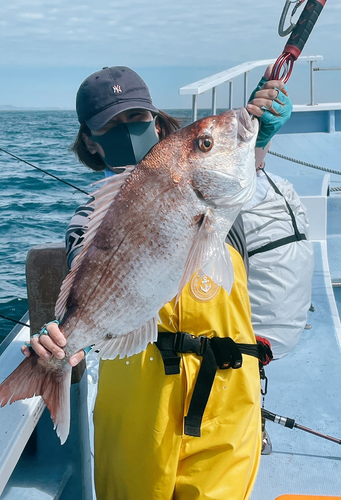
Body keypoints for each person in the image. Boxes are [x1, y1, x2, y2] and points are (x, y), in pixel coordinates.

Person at [22, 65, 290, 499]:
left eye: (136, 118)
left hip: (225, 400)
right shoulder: (88, 220)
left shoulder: (224, 201)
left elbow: (239, 176)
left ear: (157, 118)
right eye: (111, 124)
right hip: (136, 411)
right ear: (89, 140)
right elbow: (87, 291)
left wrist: (260, 136)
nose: (127, 130)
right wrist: (61, 344)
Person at [243, 67, 314, 359]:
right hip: (264, 343)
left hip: (252, 346)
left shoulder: (281, 188)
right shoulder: (279, 189)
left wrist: (252, 134)